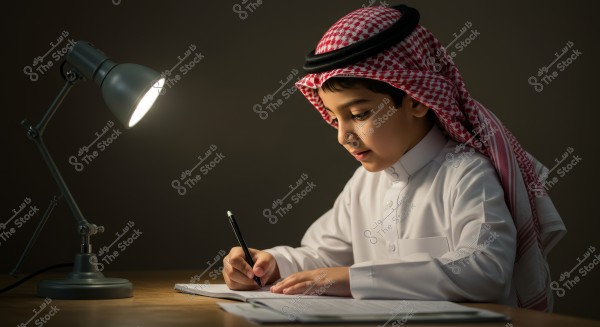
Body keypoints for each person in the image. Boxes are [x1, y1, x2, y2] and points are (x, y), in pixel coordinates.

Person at [223, 4, 566, 311]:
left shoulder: (466, 174)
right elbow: (323, 257)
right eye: (334, 118)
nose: (343, 136)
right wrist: (272, 262)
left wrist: (353, 279)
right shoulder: (364, 183)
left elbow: (485, 270)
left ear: (416, 99)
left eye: (359, 114)